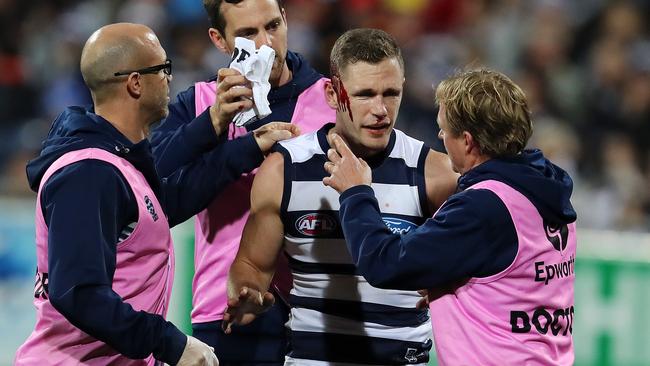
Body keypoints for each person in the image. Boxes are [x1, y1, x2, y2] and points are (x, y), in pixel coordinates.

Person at [14, 22, 297, 365]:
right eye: (163, 69)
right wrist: (170, 342)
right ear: (135, 82)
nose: (169, 79)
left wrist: (248, 147)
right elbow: (79, 292)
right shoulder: (89, 172)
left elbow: (170, 203)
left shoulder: (118, 164)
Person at [224, 28, 458, 365]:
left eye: (390, 93)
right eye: (364, 94)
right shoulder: (284, 169)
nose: (381, 110)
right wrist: (247, 293)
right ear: (333, 95)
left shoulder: (435, 173)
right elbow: (251, 266)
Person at [323, 69, 577, 365]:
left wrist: (356, 192)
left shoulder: (483, 206)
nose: (441, 136)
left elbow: (384, 263)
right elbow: (510, 280)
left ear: (467, 141)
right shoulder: (547, 192)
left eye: (443, 129)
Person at [149, 0, 334, 363]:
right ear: (219, 40)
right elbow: (154, 196)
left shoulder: (333, 100)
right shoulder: (200, 105)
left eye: (272, 26)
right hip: (228, 314)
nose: (266, 44)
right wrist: (219, 129)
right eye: (248, 33)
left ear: (285, 18)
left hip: (324, 313)